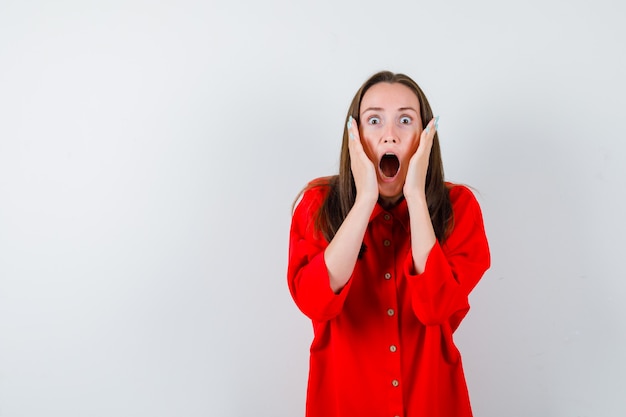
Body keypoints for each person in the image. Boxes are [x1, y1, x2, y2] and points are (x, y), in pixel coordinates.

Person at [287, 71, 490, 417]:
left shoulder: (460, 207)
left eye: (405, 120)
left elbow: (436, 308)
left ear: (426, 137)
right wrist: (365, 198)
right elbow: (316, 302)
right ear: (355, 136)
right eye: (375, 120)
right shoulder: (316, 205)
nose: (390, 135)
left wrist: (415, 194)